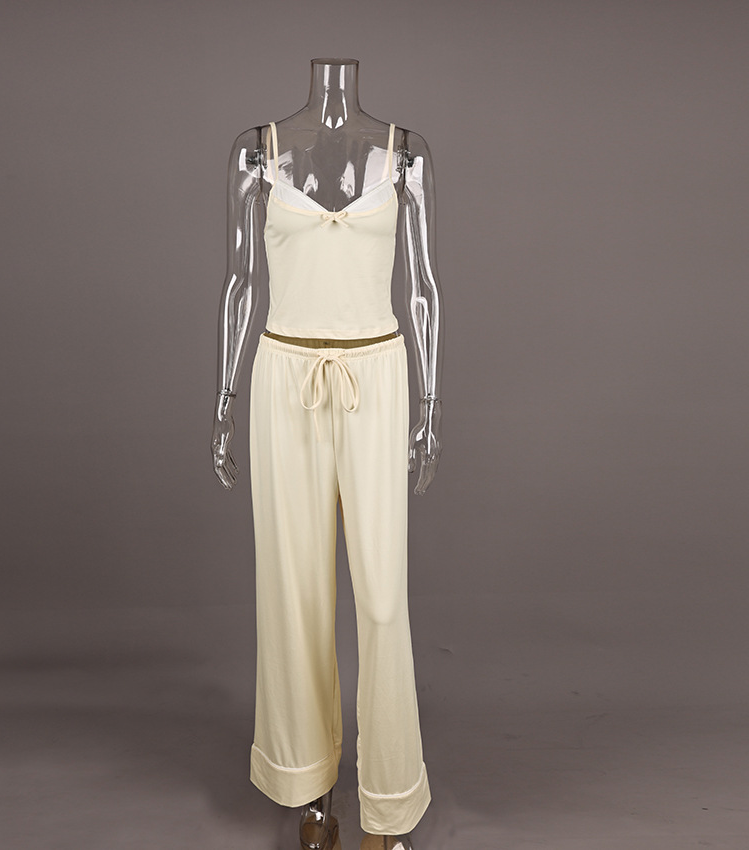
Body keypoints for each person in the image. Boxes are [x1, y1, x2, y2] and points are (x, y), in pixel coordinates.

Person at [211, 57, 445, 850]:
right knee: (294, 591)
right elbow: (240, 281)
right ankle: (313, 796)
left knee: (381, 597)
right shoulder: (256, 150)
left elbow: (424, 287)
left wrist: (429, 405)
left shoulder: (406, 155)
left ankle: (390, 806)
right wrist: (226, 397)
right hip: (284, 379)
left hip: (375, 378)